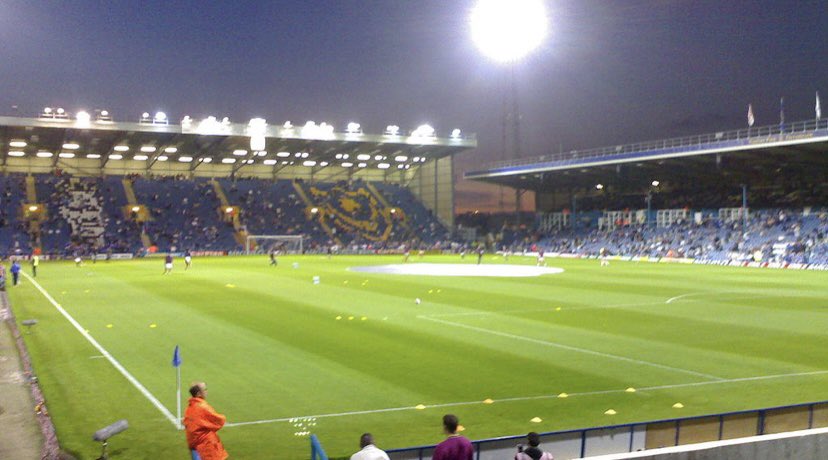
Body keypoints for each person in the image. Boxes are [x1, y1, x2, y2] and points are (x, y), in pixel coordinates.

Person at [183, 382, 229, 460]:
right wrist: (224, 418)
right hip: (206, 447)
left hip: (194, 446)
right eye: (205, 389)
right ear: (198, 393)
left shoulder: (189, 407)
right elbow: (218, 420)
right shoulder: (202, 407)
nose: (206, 391)